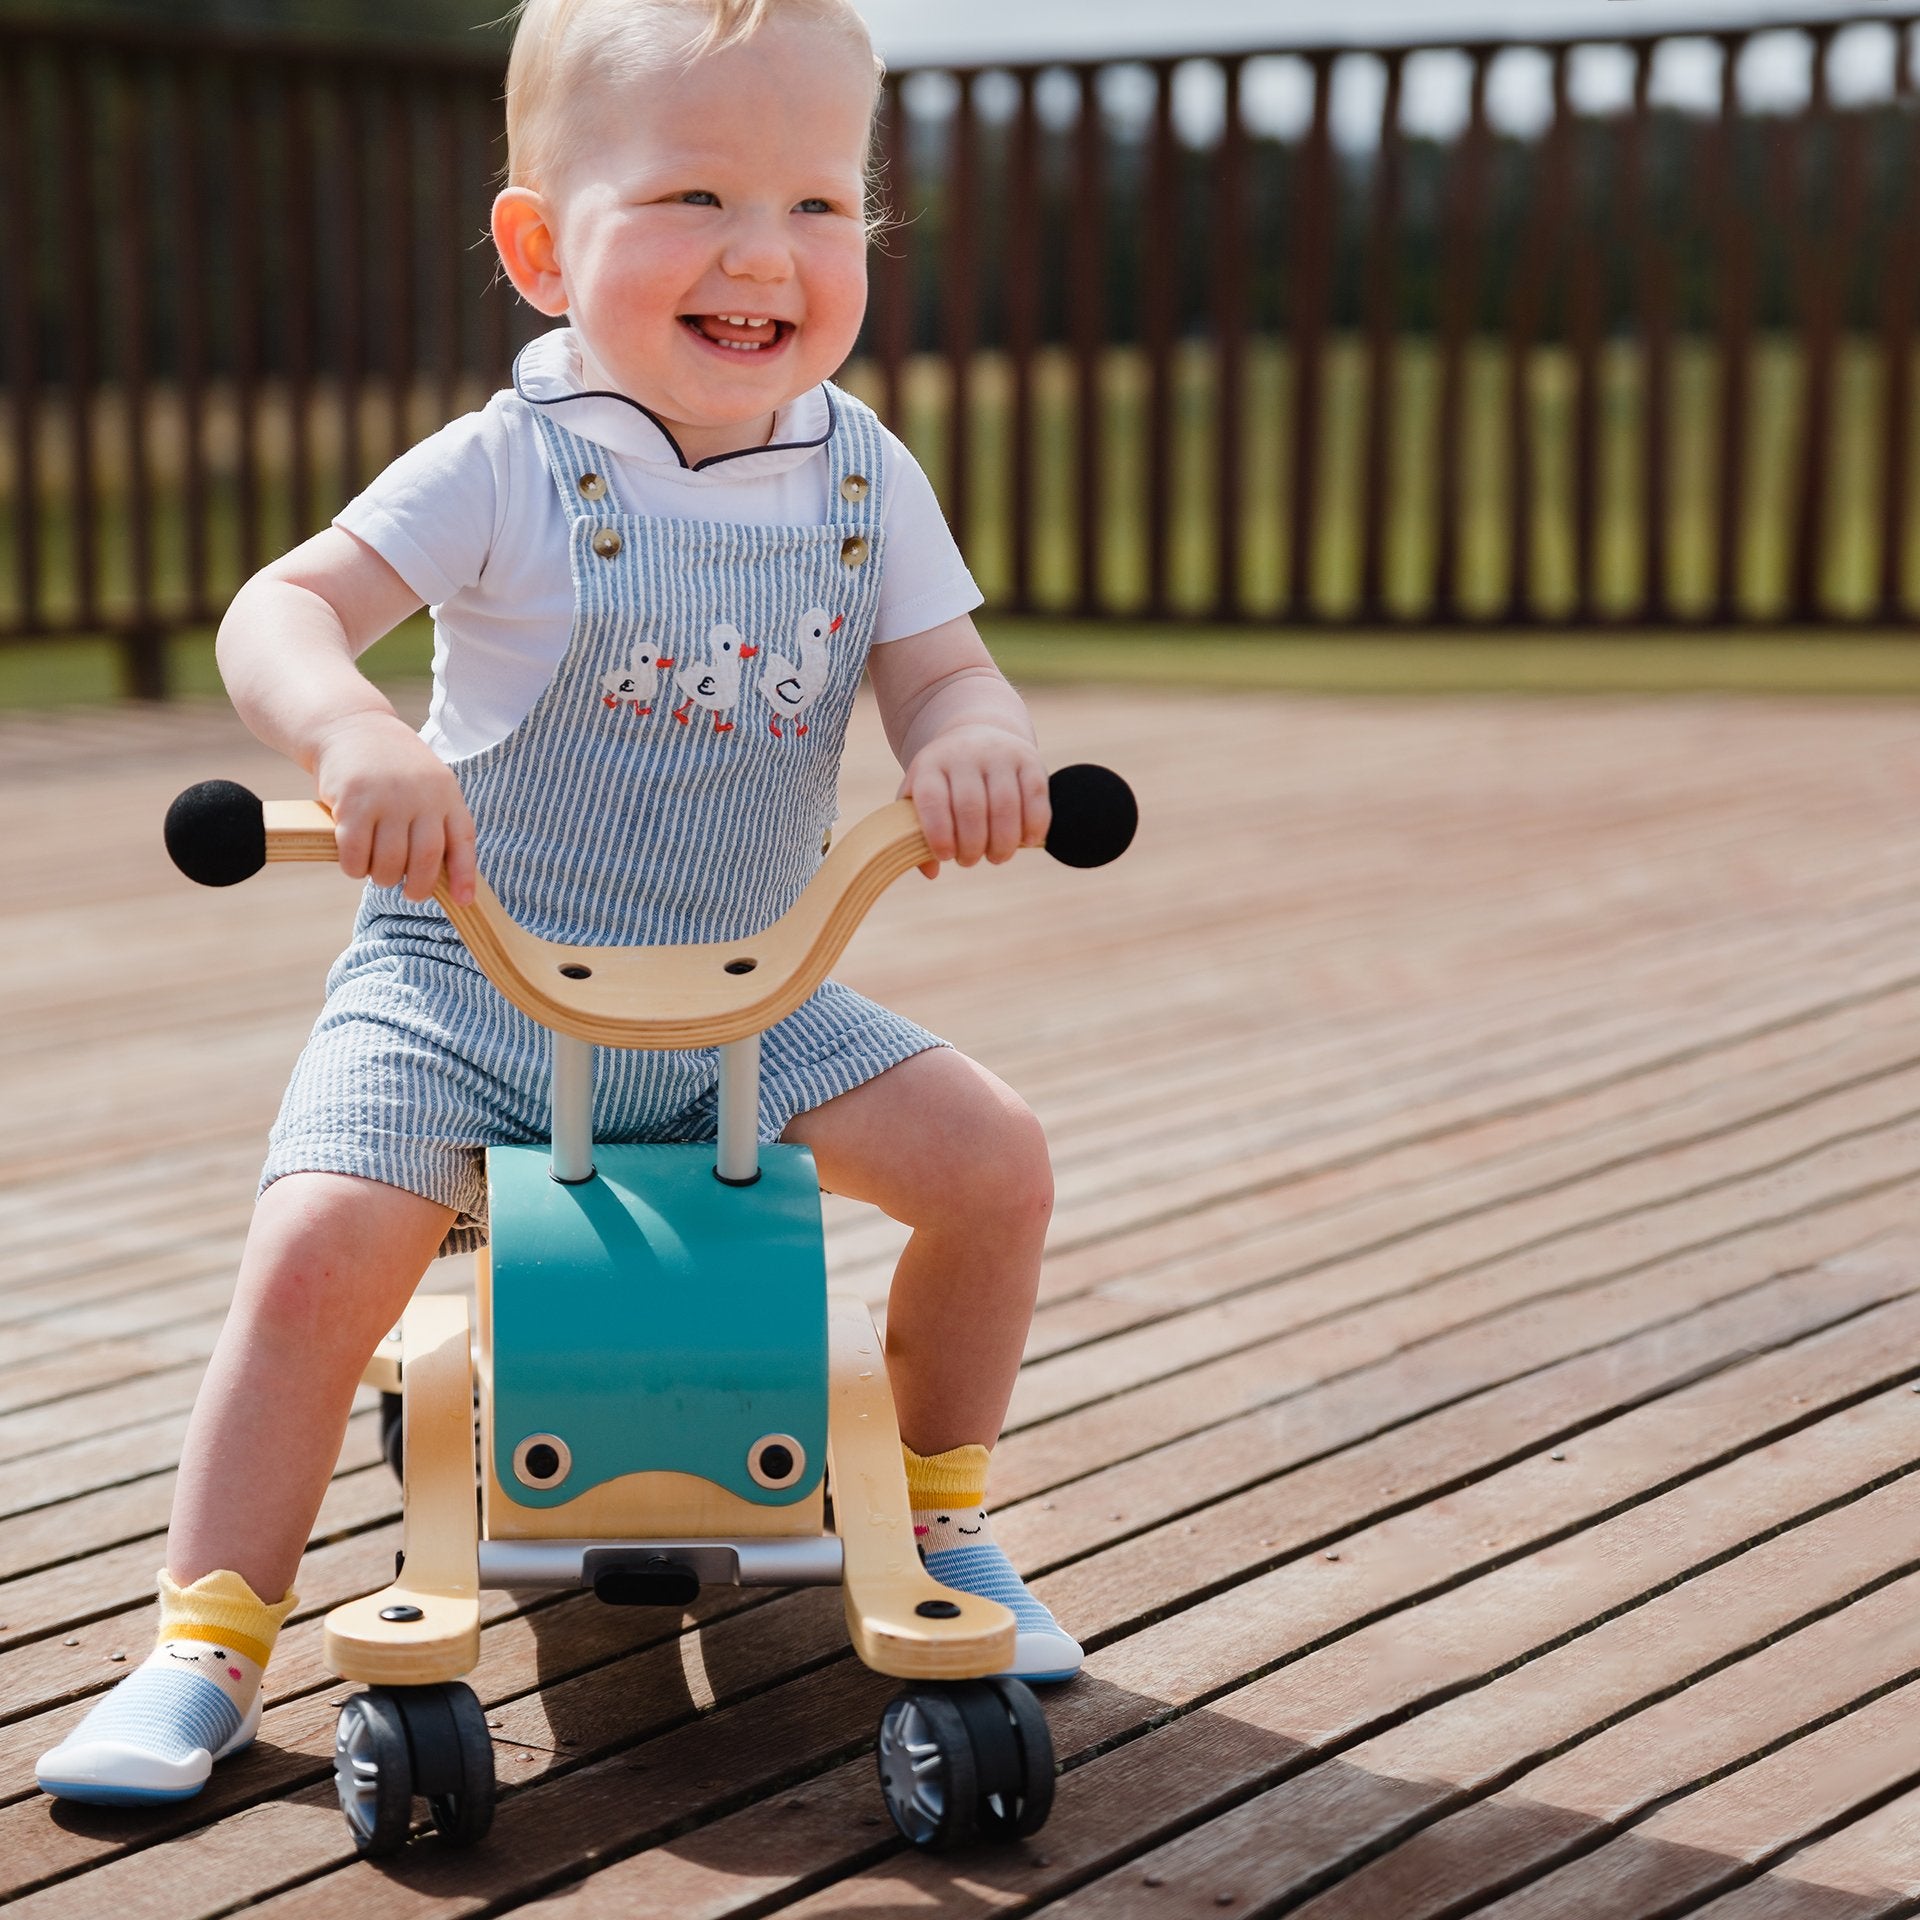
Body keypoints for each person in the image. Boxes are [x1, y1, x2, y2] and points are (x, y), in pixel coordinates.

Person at [38, 0, 1078, 1808]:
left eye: (821, 206)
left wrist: (977, 744)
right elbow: (276, 612)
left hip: (752, 1001)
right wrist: (355, 733)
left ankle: (939, 1512)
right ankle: (206, 1637)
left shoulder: (862, 473)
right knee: (317, 1255)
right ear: (540, 248)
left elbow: (943, 673)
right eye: (691, 194)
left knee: (994, 1164)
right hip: (468, 993)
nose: (763, 253)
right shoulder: (507, 464)